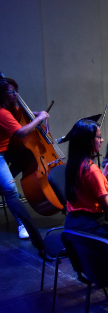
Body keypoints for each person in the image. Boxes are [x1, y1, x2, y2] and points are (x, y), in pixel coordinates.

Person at [0, 74, 48, 241]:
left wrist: (36, 113)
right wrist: (40, 118)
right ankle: (23, 224)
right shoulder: (2, 113)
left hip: (7, 152)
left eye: (16, 91)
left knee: (26, 158)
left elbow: (24, 115)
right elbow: (21, 132)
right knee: (11, 190)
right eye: (12, 92)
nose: (16, 95)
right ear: (2, 95)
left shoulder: (11, 108)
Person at [64, 119, 108, 241]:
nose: (102, 140)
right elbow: (107, 207)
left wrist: (104, 170)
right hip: (89, 227)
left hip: (72, 223)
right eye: (99, 137)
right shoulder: (91, 169)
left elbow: (90, 188)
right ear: (88, 141)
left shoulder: (75, 163)